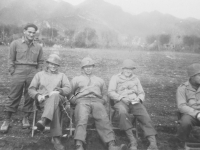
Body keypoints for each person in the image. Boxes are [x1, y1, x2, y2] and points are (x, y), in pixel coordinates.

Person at [70, 57, 126, 150]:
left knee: (103, 118)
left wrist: (103, 101)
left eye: (90, 66)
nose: (88, 69)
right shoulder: (76, 79)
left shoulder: (99, 80)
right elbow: (69, 93)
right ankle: (79, 144)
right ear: (82, 68)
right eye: (86, 67)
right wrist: (75, 101)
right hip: (82, 100)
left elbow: (104, 93)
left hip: (97, 101)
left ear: (93, 67)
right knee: (82, 117)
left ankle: (110, 144)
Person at [1, 23, 44, 133]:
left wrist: (37, 73)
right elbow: (10, 59)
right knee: (14, 95)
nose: (31, 34)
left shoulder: (38, 46)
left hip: (32, 72)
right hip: (18, 71)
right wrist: (12, 71)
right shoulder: (15, 44)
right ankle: (6, 120)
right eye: (29, 32)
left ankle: (25, 118)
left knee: (30, 96)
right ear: (24, 31)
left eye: (34, 33)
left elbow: (40, 61)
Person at [108, 59, 158, 150]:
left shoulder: (135, 78)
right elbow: (110, 92)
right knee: (123, 112)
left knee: (144, 115)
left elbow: (141, 92)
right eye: (126, 69)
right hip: (121, 101)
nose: (128, 71)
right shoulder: (115, 77)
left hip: (134, 102)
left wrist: (138, 98)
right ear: (122, 69)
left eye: (131, 69)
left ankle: (153, 143)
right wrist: (121, 98)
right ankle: (133, 141)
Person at [28, 54, 71, 150]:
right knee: (55, 108)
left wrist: (59, 91)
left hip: (59, 101)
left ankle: (44, 121)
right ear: (47, 64)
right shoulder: (39, 75)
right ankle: (56, 139)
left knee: (55, 96)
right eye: (51, 64)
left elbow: (68, 88)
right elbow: (31, 89)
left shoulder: (62, 76)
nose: (53, 66)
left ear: (58, 66)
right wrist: (37, 95)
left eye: (56, 64)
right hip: (44, 102)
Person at [176, 63, 200, 144]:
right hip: (190, 115)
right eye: (199, 75)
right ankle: (181, 142)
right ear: (192, 76)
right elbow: (181, 106)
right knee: (185, 122)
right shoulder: (182, 88)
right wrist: (197, 114)